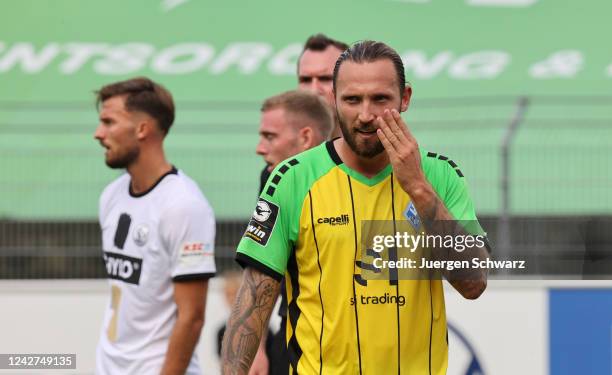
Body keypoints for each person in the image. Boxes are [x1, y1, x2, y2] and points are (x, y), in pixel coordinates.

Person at [222, 41, 490, 374]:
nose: (365, 115)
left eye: (380, 99)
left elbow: (474, 283)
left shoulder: (440, 175)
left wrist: (418, 188)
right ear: (333, 99)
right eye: (352, 99)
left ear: (404, 98)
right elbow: (253, 300)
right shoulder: (292, 178)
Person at [93, 77, 216, 375]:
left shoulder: (184, 205)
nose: (98, 134)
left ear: (142, 129)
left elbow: (192, 317)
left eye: (109, 122)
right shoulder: (111, 195)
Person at [251, 89, 334, 375]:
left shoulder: (359, 177)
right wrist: (256, 349)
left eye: (270, 137)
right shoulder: (272, 180)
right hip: (296, 334)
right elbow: (263, 270)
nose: (260, 148)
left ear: (306, 137)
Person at [259, 34, 348, 193]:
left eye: (325, 78)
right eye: (306, 80)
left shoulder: (377, 163)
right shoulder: (277, 172)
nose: (314, 90)